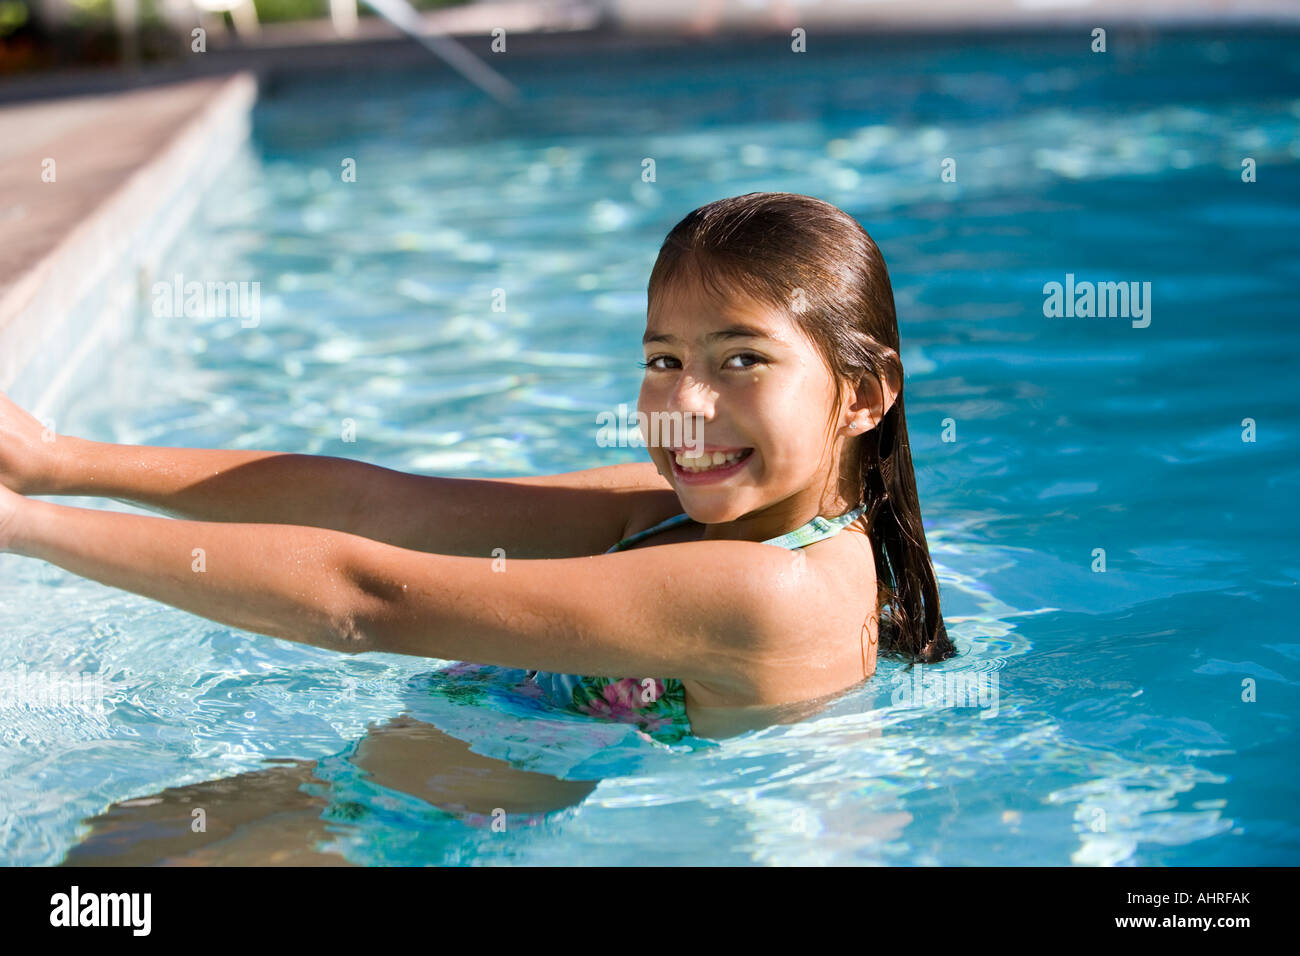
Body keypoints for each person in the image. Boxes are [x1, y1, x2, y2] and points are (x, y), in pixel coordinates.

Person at [0, 192, 954, 862]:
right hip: (339, 801)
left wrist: (25, 526)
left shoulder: (772, 591)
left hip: (392, 850)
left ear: (862, 395)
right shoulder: (666, 511)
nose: (686, 404)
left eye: (742, 359)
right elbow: (381, 507)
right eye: (663, 358)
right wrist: (57, 460)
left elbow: (361, 600)